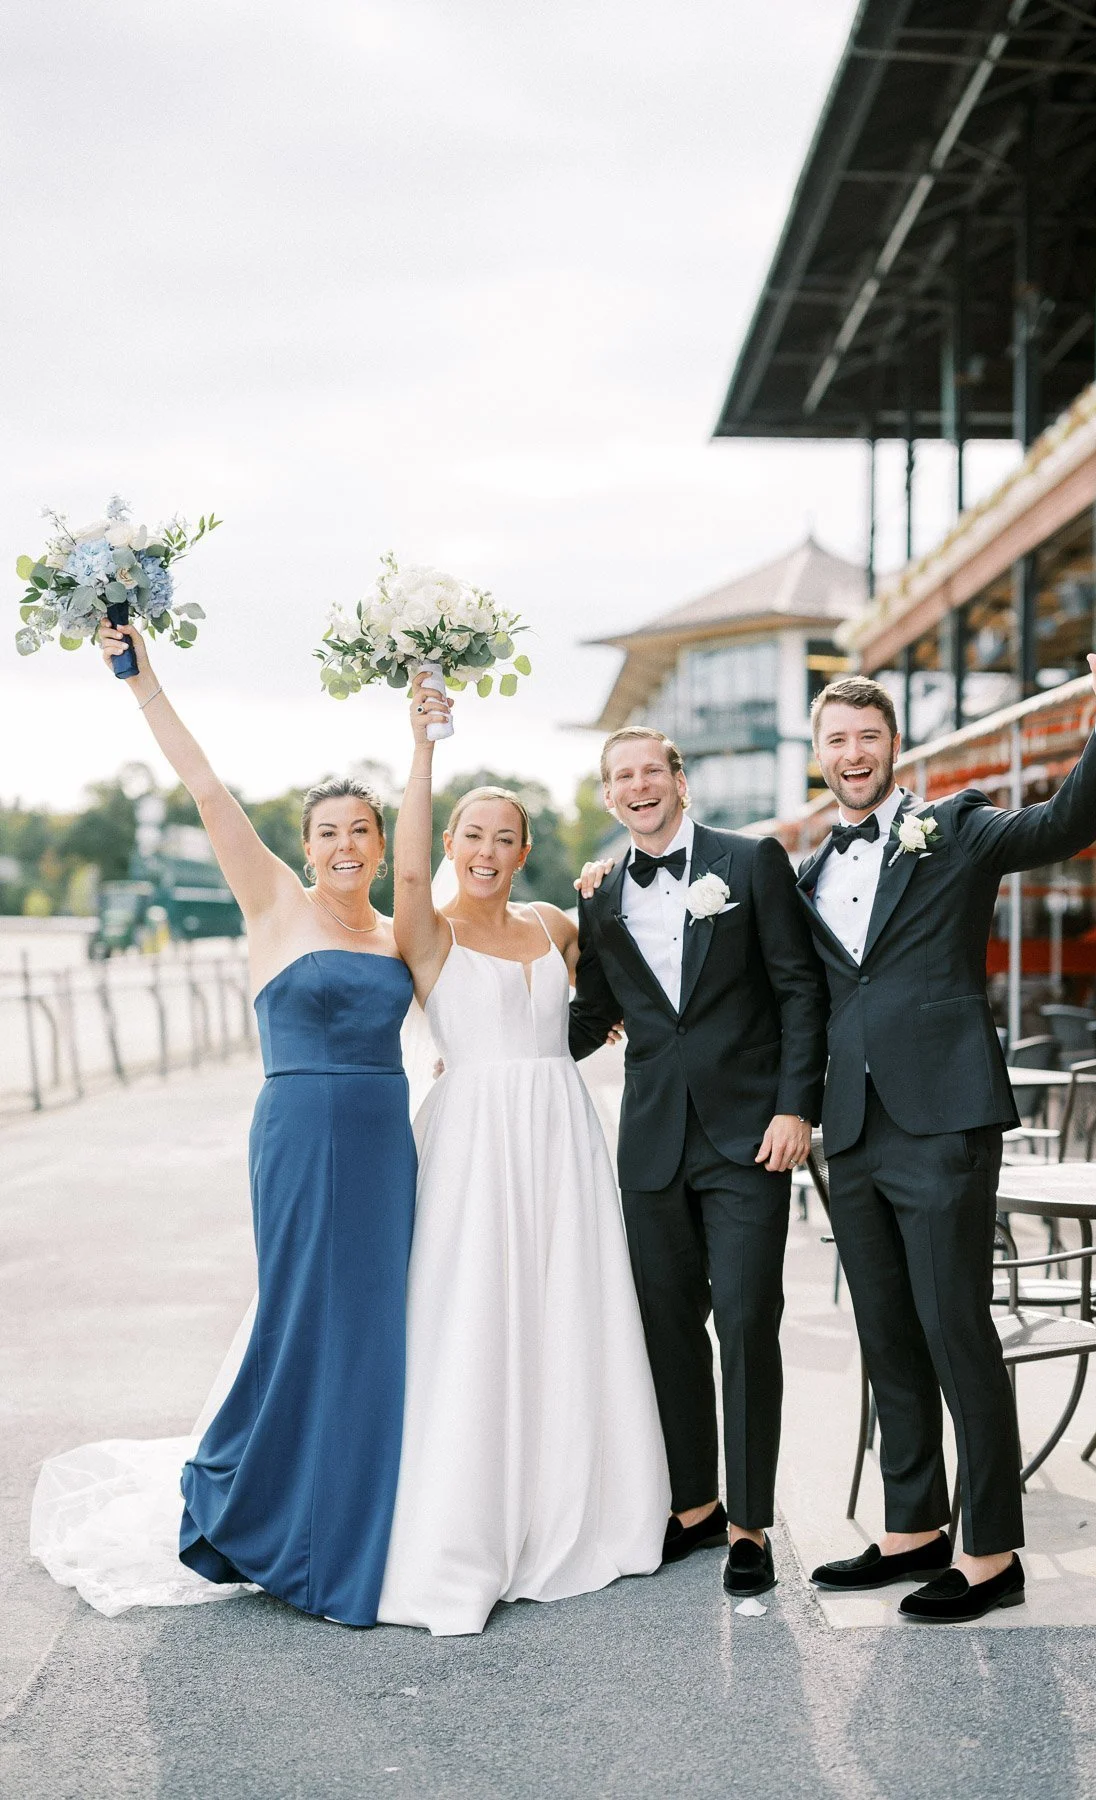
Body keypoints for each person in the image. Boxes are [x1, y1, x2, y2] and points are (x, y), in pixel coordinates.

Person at [31, 619, 417, 1627]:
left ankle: (349, 1514)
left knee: (375, 1329)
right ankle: (271, 1517)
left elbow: (507, 947)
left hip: (386, 1140)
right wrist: (142, 682)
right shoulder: (273, 906)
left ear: (381, 847)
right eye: (326, 831)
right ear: (306, 846)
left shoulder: (400, 931)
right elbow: (206, 788)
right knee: (301, 1318)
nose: (342, 846)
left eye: (359, 832)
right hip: (298, 1130)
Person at [800, 620, 1096, 1623]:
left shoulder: (952, 827)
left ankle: (992, 1551)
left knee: (955, 1324)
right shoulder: (808, 872)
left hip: (945, 1117)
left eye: (866, 739)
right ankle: (911, 1528)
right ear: (818, 753)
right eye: (834, 741)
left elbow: (1060, 829)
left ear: (892, 748)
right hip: (854, 1128)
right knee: (885, 1331)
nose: (852, 755)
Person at [374, 674, 670, 1636]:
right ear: (454, 846)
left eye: (507, 838)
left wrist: (619, 1018)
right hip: (471, 1142)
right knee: (477, 1314)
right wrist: (423, 748)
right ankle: (470, 1519)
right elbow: (406, 871)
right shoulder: (424, 929)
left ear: (527, 851)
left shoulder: (554, 927)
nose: (489, 852)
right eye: (474, 836)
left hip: (560, 1136)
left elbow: (623, 975)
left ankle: (576, 1501)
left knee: (567, 1307)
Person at [571, 729, 826, 1599]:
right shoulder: (601, 899)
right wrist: (492, 1042)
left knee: (749, 1320)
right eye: (622, 778)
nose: (639, 787)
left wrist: (797, 1105)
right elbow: (591, 1013)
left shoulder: (751, 862)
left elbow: (799, 987)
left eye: (652, 772)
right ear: (609, 797)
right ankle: (695, 1507)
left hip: (751, 1135)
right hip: (649, 1143)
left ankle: (752, 1523)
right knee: (665, 1329)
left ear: (680, 781)